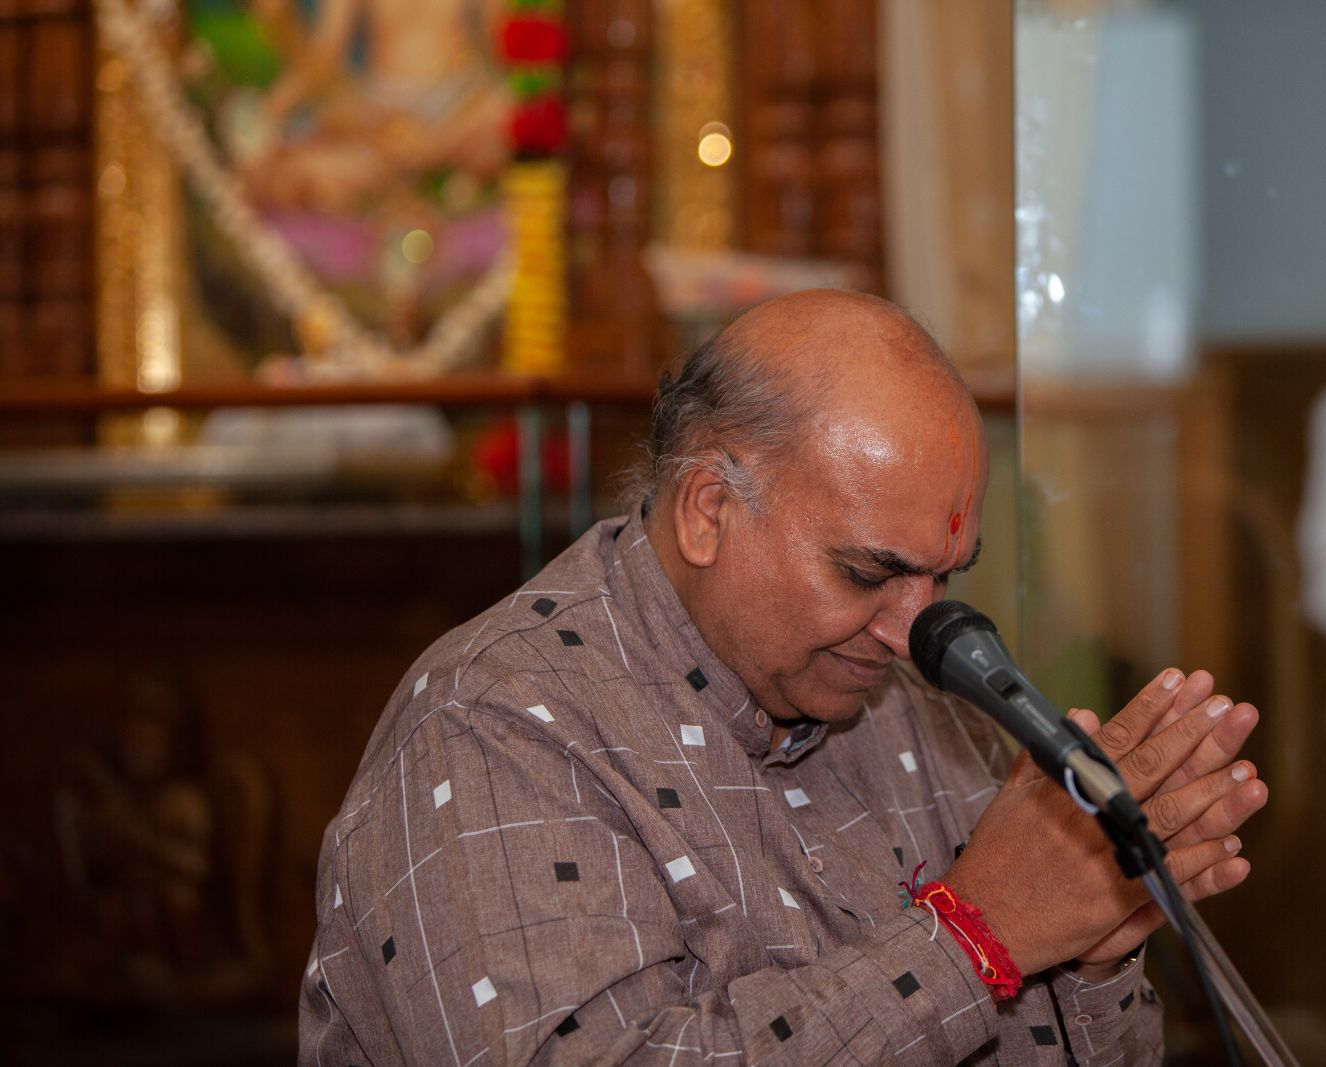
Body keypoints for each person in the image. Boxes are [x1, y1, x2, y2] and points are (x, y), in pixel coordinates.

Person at [299, 290, 1269, 1065]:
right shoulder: (495, 721)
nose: (911, 629)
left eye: (944, 577)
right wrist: (977, 933)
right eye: (865, 570)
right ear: (708, 509)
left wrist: (1092, 938)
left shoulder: (924, 706)